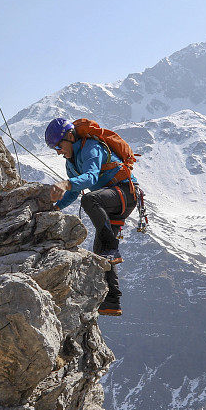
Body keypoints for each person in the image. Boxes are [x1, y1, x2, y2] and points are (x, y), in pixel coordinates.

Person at [46, 118, 138, 316]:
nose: (58, 151)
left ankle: (112, 248)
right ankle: (112, 302)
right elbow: (72, 193)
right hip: (112, 198)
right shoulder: (71, 162)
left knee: (89, 200)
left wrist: (65, 184)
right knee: (100, 252)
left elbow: (91, 177)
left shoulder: (91, 147)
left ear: (70, 137)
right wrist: (55, 207)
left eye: (59, 146)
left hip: (124, 192)